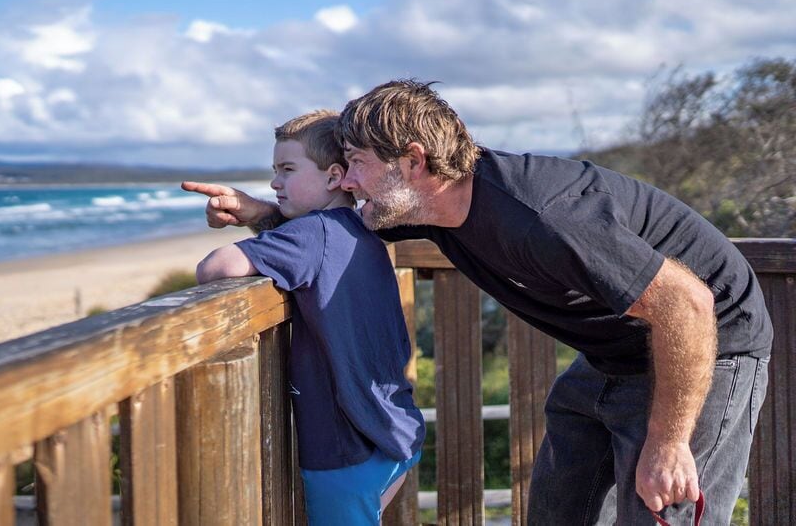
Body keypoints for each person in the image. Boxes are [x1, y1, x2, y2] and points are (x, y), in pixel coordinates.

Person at [185, 80, 773, 525]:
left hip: (706, 344)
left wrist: (668, 442)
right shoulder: (425, 204)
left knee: (659, 505)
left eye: (358, 165)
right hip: (614, 353)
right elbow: (331, 233)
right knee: (554, 509)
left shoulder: (546, 215)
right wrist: (263, 214)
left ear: (413, 161)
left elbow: (687, 304)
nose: (348, 181)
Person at [186, 110, 425, 525]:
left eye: (288, 169)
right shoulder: (357, 226)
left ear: (334, 177)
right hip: (394, 432)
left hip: (344, 450)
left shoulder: (312, 233)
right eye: (274, 170)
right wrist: (263, 218)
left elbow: (214, 268)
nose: (276, 182)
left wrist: (265, 227)